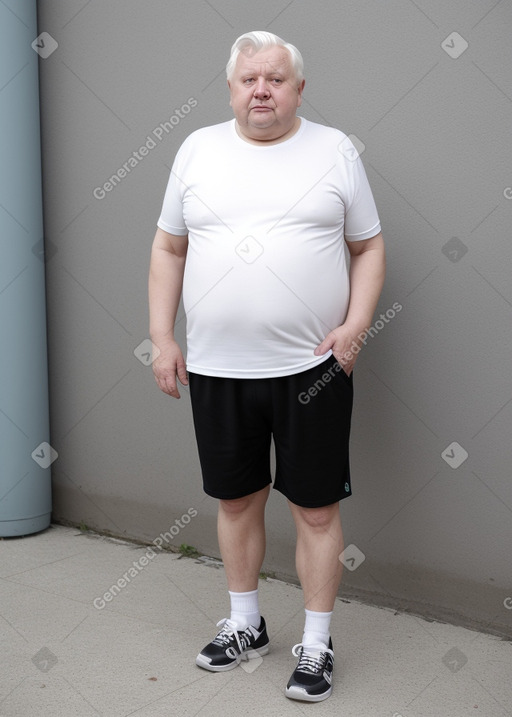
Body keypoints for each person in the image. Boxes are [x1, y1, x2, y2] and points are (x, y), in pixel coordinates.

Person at [148, 30, 385, 702]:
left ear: (298, 88)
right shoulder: (197, 150)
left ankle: (316, 642)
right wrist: (161, 336)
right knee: (236, 498)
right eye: (249, 78)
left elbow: (367, 247)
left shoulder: (334, 150)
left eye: (275, 79)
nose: (261, 89)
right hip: (219, 368)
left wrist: (357, 323)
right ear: (230, 88)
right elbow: (169, 248)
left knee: (314, 510)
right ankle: (246, 623)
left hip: (311, 369)